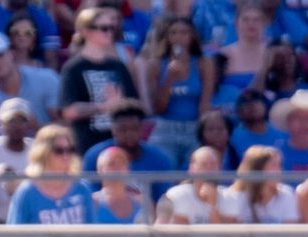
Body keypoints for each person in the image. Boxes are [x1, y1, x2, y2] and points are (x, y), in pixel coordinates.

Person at [59, 7, 140, 156]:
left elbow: (134, 101)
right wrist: (103, 107)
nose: (109, 33)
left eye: (111, 28)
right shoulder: (73, 68)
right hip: (87, 145)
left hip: (120, 146)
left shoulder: (118, 66)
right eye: (103, 28)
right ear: (85, 31)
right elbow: (69, 110)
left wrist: (122, 104)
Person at [143, 16, 215, 168]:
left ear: (192, 36)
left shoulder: (204, 63)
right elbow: (158, 108)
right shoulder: (155, 65)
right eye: (173, 33)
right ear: (167, 37)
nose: (179, 38)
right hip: (166, 128)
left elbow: (205, 103)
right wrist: (169, 78)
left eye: (184, 33)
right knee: (164, 167)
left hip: (194, 127)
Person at [81, 98, 174, 204]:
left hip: (145, 217)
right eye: (123, 129)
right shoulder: (95, 156)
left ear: (142, 129)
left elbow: (164, 200)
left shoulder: (160, 158)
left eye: (134, 129)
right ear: (113, 130)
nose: (129, 134)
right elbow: (89, 198)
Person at [6, 123, 96, 223]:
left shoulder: (82, 189)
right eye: (59, 151)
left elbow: (92, 232)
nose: (66, 155)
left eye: (70, 150)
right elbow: (15, 234)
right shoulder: (26, 192)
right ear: (43, 153)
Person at [0, 29, 60, 128]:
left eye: (0, 55)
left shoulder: (46, 78)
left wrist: (37, 127)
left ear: (12, 54)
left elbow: (66, 124)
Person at [217, 143, 299, 223]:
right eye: (273, 165)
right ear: (257, 169)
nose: (279, 171)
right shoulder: (233, 196)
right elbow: (230, 234)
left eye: (279, 165)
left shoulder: (286, 194)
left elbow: (290, 233)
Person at [94, 143, 152, 221]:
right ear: (100, 171)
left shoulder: (143, 203)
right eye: (111, 164)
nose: (117, 167)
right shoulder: (92, 203)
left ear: (128, 169)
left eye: (122, 162)